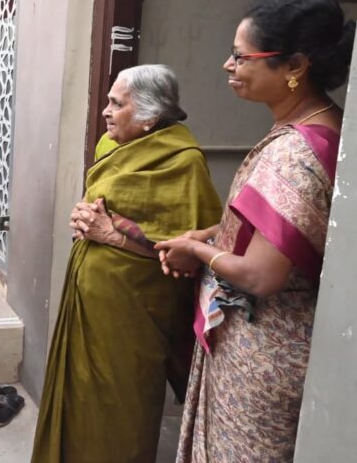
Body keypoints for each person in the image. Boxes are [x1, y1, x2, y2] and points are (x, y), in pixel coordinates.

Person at [156, 0, 352, 462]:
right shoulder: (327, 128)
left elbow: (262, 275)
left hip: (265, 344)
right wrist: (209, 235)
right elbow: (282, 230)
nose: (228, 65)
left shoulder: (293, 154)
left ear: (295, 66)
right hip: (284, 339)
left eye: (242, 56)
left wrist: (197, 252)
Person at [30, 65, 222, 462]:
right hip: (89, 296)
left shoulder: (183, 161)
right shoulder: (109, 145)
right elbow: (100, 202)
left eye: (117, 104)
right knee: (78, 394)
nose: (106, 111)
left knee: (123, 403)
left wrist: (114, 235)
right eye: (108, 101)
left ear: (150, 117)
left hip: (136, 311)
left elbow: (189, 255)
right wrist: (83, 217)